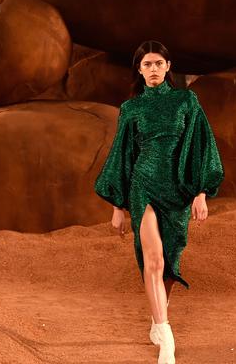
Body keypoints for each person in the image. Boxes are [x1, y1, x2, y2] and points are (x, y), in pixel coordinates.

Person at [94, 40, 224, 364]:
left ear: (168, 67)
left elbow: (200, 145)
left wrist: (201, 192)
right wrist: (117, 208)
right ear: (139, 69)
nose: (153, 69)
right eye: (147, 64)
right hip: (143, 186)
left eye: (158, 63)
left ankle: (157, 318)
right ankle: (166, 337)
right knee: (153, 261)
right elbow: (122, 157)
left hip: (177, 191)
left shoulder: (186, 101)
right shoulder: (131, 109)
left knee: (169, 262)